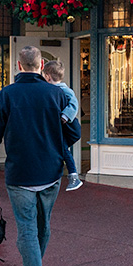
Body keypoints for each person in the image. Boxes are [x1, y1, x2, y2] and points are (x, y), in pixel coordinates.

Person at [0, 46, 80, 266]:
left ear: (18, 65)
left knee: (26, 228)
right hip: (50, 171)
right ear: (42, 64)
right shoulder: (56, 94)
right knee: (43, 224)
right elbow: (74, 133)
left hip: (20, 173)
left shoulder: (8, 94)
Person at [41, 60, 83, 192]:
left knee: (64, 149)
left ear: (47, 76)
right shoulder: (54, 90)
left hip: (65, 128)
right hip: (59, 129)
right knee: (61, 149)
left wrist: (66, 115)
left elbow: (74, 103)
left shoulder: (64, 90)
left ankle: (74, 176)